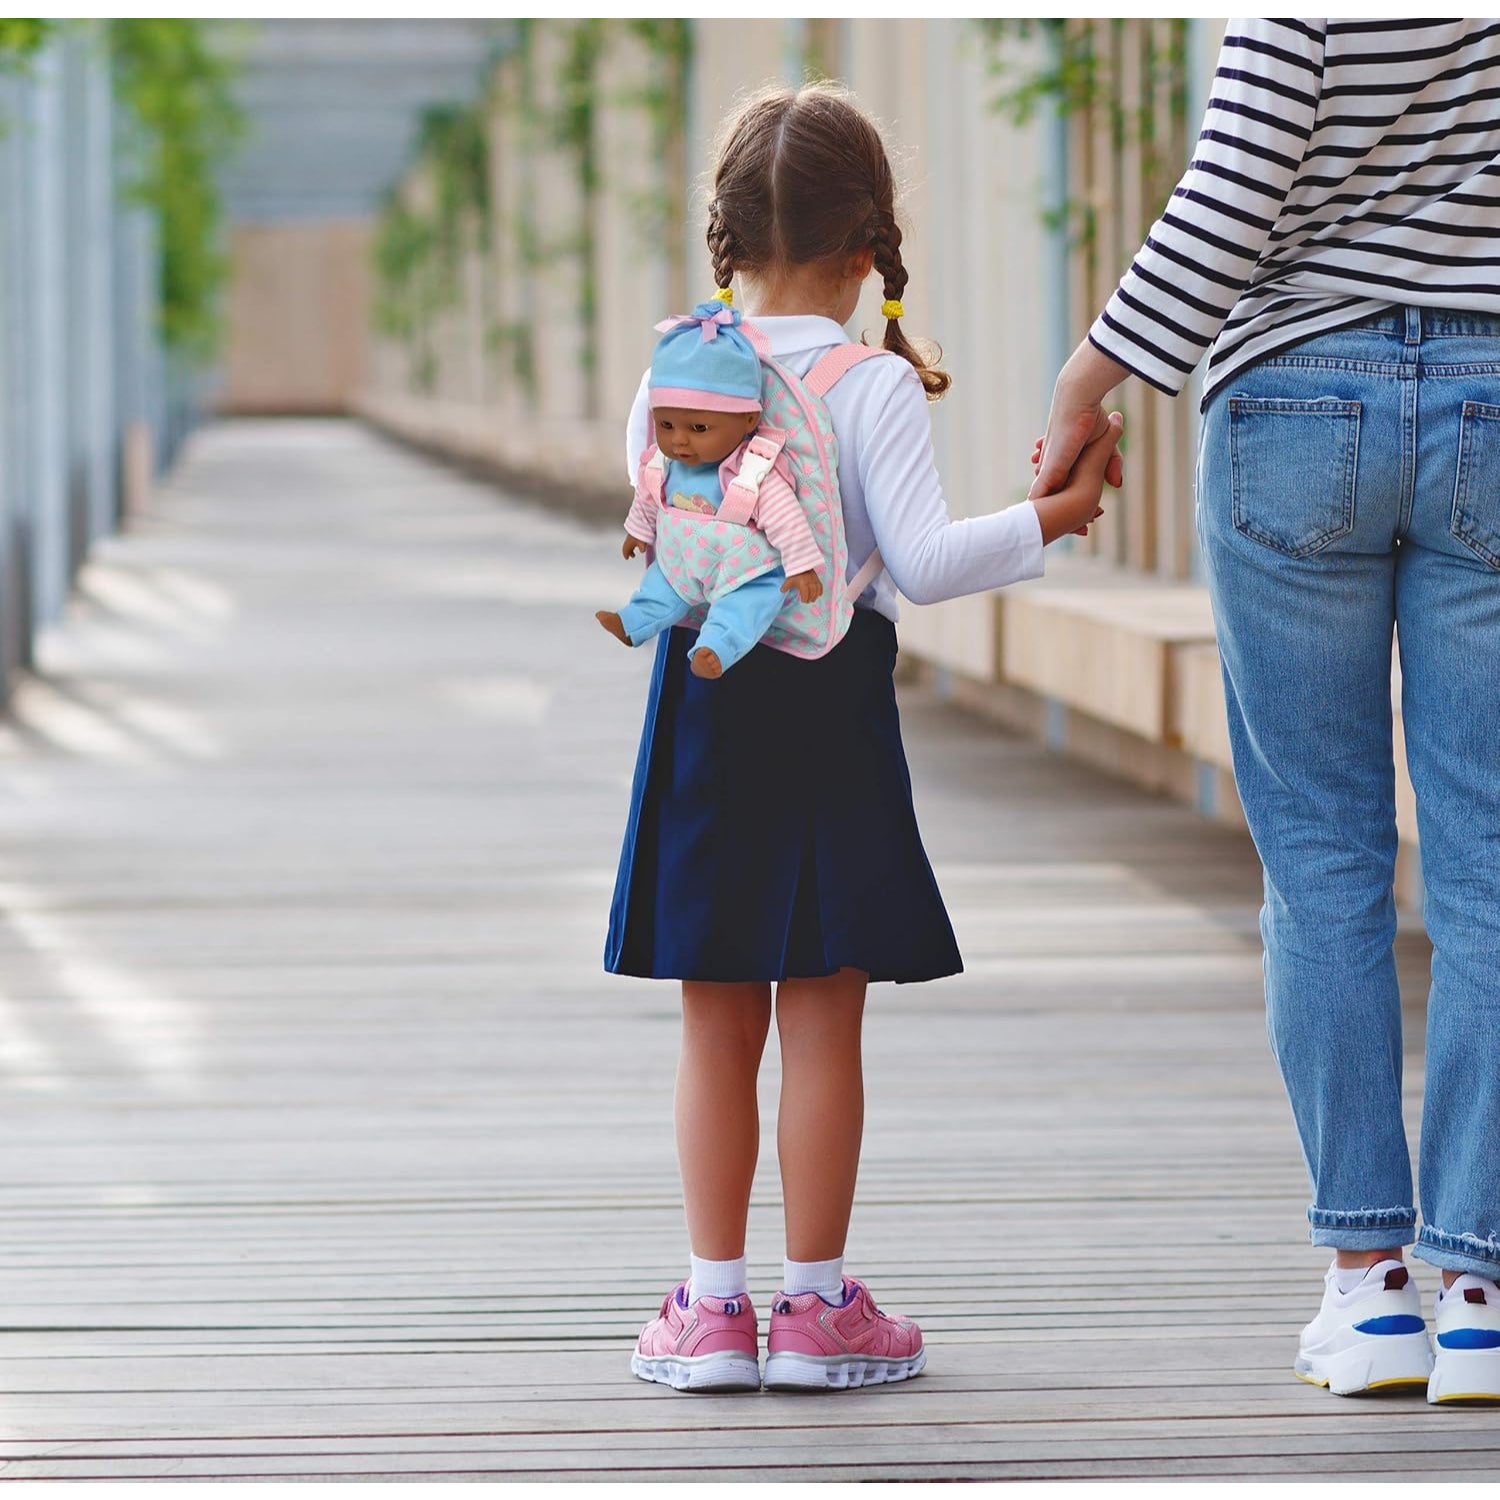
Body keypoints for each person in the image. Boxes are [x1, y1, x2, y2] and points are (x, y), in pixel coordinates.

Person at [606, 81, 1122, 1393]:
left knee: (713, 1021)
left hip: (705, 711)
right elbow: (932, 565)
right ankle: (821, 1307)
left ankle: (713, 1314)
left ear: (722, 242)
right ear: (861, 254)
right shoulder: (871, 380)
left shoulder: (671, 379)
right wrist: (1051, 519)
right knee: (823, 1020)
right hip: (833, 713)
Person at [1033, 19, 1500, 1403]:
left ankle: (1369, 1294)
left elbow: (1236, 183)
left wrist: (1090, 376)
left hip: (1297, 393)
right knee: (1487, 861)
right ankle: (1478, 1292)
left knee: (1322, 862)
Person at [596, 299, 824, 681]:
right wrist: (638, 530)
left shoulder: (752, 468)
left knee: (747, 606)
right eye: (666, 425)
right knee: (659, 586)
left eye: (699, 428)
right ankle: (633, 622)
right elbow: (650, 497)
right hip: (681, 563)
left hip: (745, 571)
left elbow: (787, 518)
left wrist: (801, 566)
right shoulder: (663, 462)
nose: (679, 441)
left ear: (749, 418)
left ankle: (715, 648)